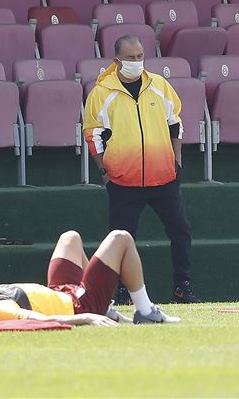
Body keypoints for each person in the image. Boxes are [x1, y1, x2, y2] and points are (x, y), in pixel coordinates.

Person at [83, 35, 197, 303]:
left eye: (140, 56)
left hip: (164, 177)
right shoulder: (101, 93)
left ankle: (182, 286)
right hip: (123, 182)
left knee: (181, 231)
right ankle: (123, 291)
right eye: (130, 57)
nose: (136, 61)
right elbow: (93, 135)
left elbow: (175, 123)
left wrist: (177, 160)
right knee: (122, 239)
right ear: (117, 60)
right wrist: (105, 172)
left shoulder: (159, 85)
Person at [0, 230, 179, 327]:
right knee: (120, 238)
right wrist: (86, 317)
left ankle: (108, 308)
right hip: (79, 305)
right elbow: (40, 320)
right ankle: (145, 312)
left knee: (70, 238)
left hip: (61, 291)